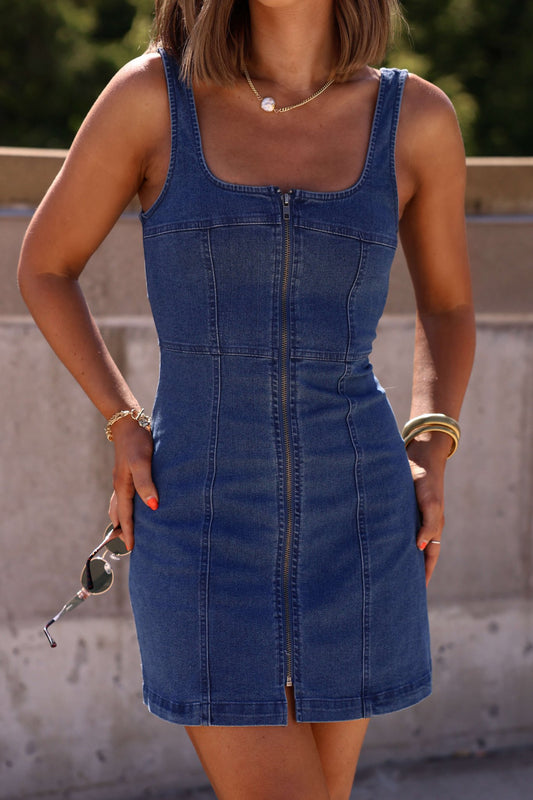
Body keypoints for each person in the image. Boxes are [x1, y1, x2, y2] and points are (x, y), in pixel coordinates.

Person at [18, 1, 475, 798]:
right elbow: (45, 266)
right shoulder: (152, 100)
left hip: (360, 517)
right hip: (200, 517)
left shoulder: (415, 119)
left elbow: (447, 304)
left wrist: (429, 442)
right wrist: (123, 420)